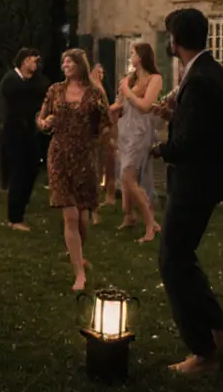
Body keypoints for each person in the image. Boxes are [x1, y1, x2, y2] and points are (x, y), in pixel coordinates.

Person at [151, 8, 223, 374]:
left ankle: (202, 352)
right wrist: (180, 118)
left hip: (194, 183)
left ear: (175, 39)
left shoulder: (201, 78)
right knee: (183, 257)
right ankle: (218, 329)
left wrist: (162, 149)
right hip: (205, 181)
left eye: (169, 35)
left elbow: (192, 141)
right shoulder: (213, 71)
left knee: (172, 262)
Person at [37, 48, 110, 291]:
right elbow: (41, 118)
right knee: (70, 215)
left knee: (83, 218)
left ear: (80, 64)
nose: (65, 64)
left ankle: (78, 253)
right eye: (63, 61)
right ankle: (79, 273)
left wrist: (108, 142)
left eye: (69, 61)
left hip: (85, 157)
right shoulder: (55, 90)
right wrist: (44, 123)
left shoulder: (94, 93)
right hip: (58, 154)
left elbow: (105, 122)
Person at [110, 43, 163, 243]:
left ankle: (151, 224)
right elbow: (121, 105)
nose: (130, 56)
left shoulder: (154, 79)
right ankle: (129, 215)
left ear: (141, 57)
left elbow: (144, 105)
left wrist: (127, 90)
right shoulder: (130, 79)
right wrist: (107, 108)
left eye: (132, 53)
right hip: (125, 130)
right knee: (125, 178)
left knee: (128, 176)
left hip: (140, 132)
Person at [0, 48, 49, 231]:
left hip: (31, 136)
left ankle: (20, 211)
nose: (36, 64)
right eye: (33, 60)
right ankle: (14, 217)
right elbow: (23, 100)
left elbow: (44, 90)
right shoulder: (10, 81)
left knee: (30, 173)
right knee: (18, 174)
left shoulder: (35, 82)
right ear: (24, 61)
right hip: (15, 136)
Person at [90, 63, 118, 219]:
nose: (101, 75)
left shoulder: (102, 88)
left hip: (106, 130)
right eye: (98, 72)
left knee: (108, 162)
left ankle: (110, 196)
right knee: (97, 166)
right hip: (97, 131)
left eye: (102, 72)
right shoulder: (92, 87)